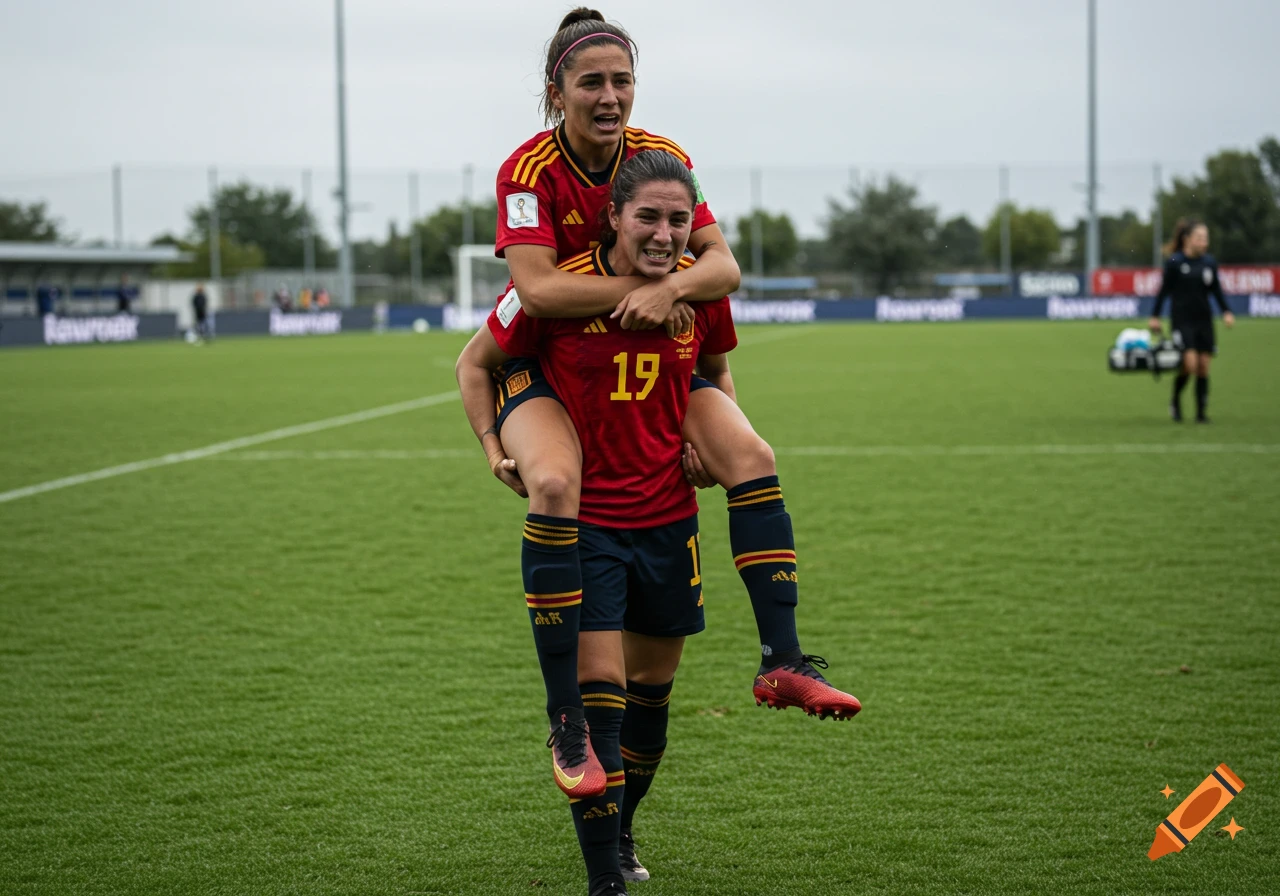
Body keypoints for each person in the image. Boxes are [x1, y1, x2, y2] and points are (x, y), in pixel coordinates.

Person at [479, 7, 860, 801]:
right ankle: (566, 719)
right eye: (592, 82)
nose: (611, 95)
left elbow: (721, 269)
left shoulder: (664, 160)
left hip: (651, 365)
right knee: (554, 486)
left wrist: (675, 288)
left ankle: (782, 661)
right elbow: (539, 290)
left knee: (752, 455)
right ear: (557, 93)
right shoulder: (527, 171)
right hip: (550, 362)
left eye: (623, 80)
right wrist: (644, 292)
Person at [459, 151, 737, 896]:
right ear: (612, 216)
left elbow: (715, 372)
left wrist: (709, 442)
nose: (664, 231)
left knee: (652, 698)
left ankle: (622, 828)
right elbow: (477, 359)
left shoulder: (700, 286)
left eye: (679, 219)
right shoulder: (554, 292)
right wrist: (494, 445)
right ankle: (601, 878)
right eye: (647, 216)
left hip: (667, 521)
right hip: (589, 527)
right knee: (601, 700)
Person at [1148, 219, 1235, 423]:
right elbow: (1163, 291)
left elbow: (1216, 290)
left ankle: (1201, 414)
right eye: (1200, 238)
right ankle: (1176, 401)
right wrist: (1155, 316)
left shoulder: (1209, 263)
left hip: (1204, 320)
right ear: (1188, 239)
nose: (1204, 242)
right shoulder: (1175, 263)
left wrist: (1226, 311)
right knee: (1190, 364)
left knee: (1204, 365)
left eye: (1206, 238)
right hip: (1182, 321)